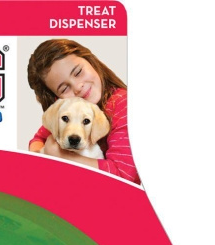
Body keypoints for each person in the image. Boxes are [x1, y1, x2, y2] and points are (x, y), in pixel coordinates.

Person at [27, 39, 140, 184]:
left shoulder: (125, 105)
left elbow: (122, 176)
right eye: (64, 88)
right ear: (57, 98)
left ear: (90, 61)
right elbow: (38, 139)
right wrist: (38, 159)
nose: (77, 87)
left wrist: (61, 156)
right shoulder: (69, 108)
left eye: (78, 72)